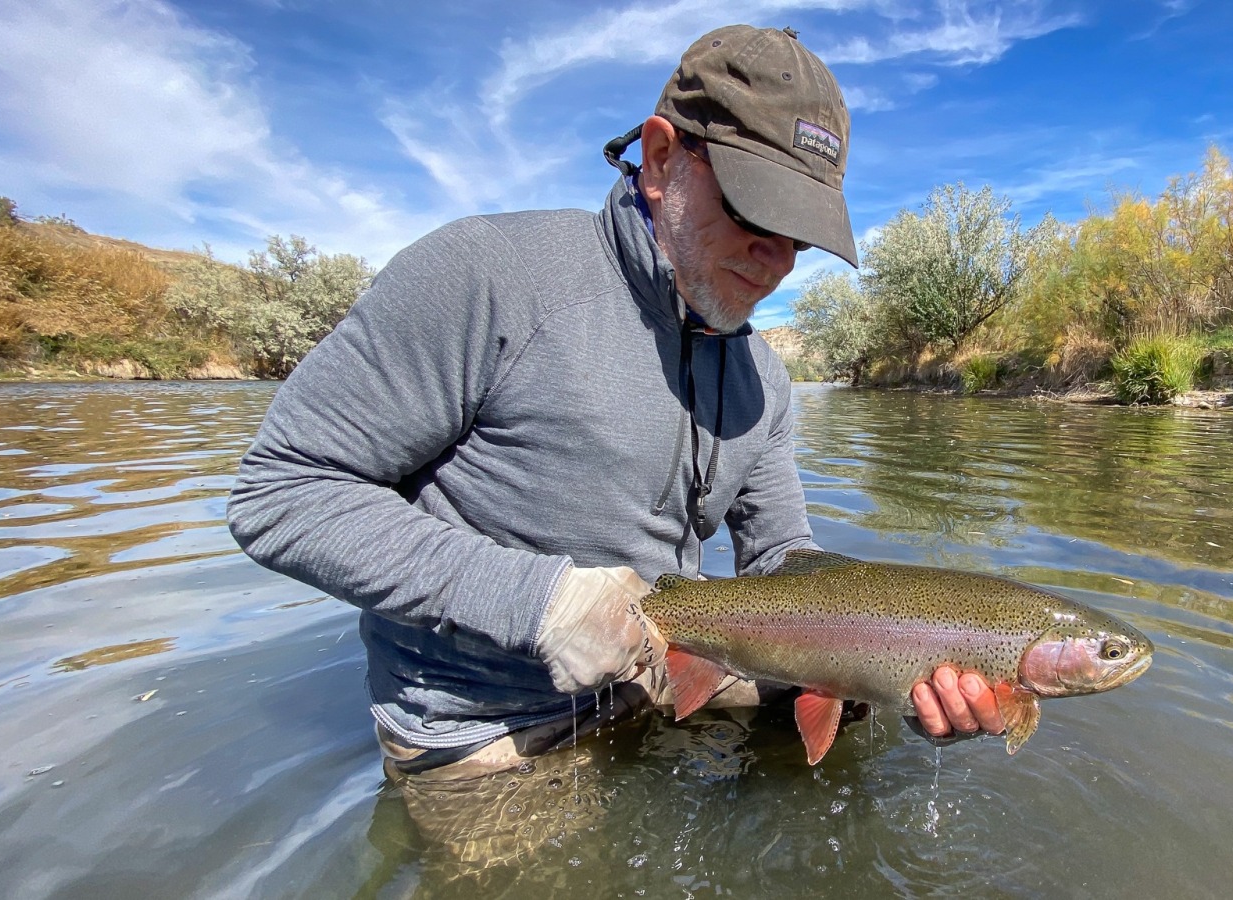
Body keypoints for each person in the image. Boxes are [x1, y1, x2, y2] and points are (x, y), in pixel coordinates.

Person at [226, 24, 1002, 811]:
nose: (777, 257)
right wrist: (537, 602)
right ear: (663, 160)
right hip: (496, 730)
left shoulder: (764, 378)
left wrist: (902, 667)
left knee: (862, 738)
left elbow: (783, 565)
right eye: (755, 211)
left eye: (801, 233)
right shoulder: (485, 277)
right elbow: (280, 494)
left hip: (673, 668)